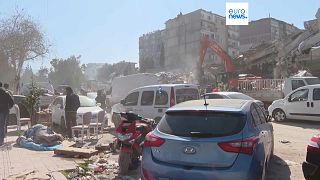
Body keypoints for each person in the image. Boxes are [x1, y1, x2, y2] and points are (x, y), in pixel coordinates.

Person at [0, 82, 14, 146]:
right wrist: (8, 107)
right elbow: (12, 102)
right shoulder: (6, 93)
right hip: (4, 111)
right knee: (2, 126)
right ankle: (1, 141)